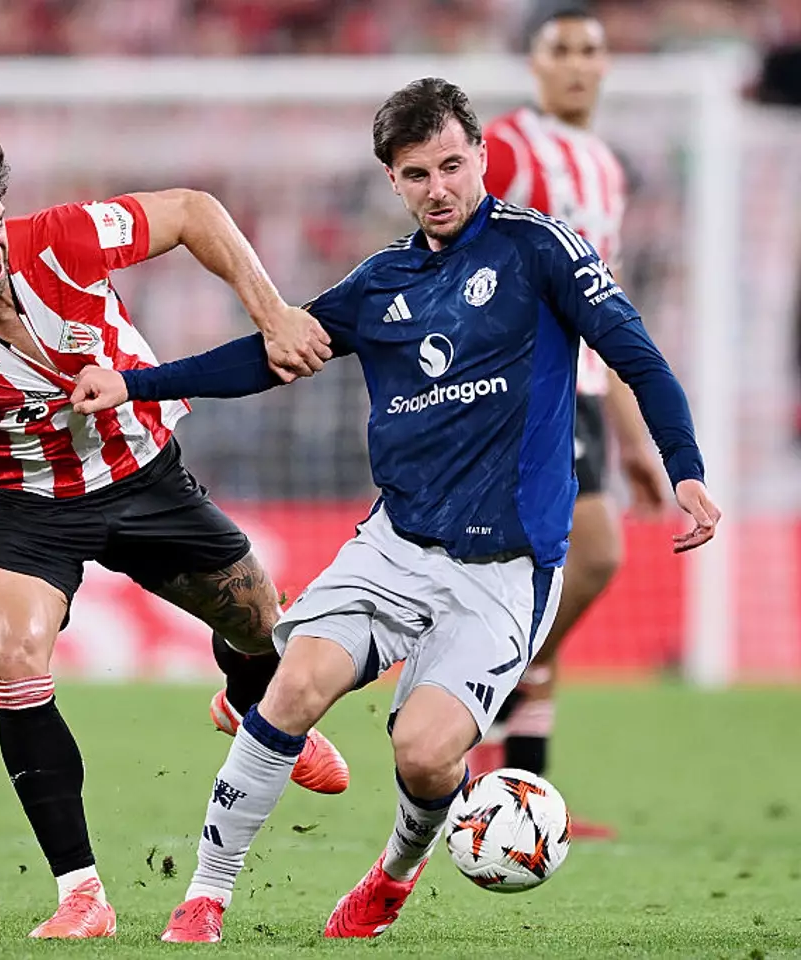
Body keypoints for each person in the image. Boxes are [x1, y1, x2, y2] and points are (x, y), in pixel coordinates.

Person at [70, 78, 720, 942]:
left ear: (482, 158)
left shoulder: (541, 251)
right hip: (395, 546)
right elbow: (270, 355)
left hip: (505, 570)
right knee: (291, 685)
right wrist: (135, 386)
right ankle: (205, 896)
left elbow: (638, 355)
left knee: (421, 751)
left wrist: (685, 468)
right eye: (418, 173)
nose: (440, 187)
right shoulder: (382, 284)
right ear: (394, 181)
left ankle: (394, 874)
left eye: (453, 165)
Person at [0, 137, 349, 940]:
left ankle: (246, 704)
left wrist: (272, 313)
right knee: (15, 650)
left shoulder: (62, 238)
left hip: (140, 473)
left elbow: (193, 211)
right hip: (21, 507)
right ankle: (81, 894)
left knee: (257, 621)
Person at [472, 4, 671, 838]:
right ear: (534, 62)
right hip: (519, 386)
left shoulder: (605, 168)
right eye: (564, 51)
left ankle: (519, 791)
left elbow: (607, 306)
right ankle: (477, 700)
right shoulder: (511, 147)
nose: (581, 65)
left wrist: (634, 438)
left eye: (593, 50)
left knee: (559, 576)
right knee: (590, 554)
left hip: (584, 389)